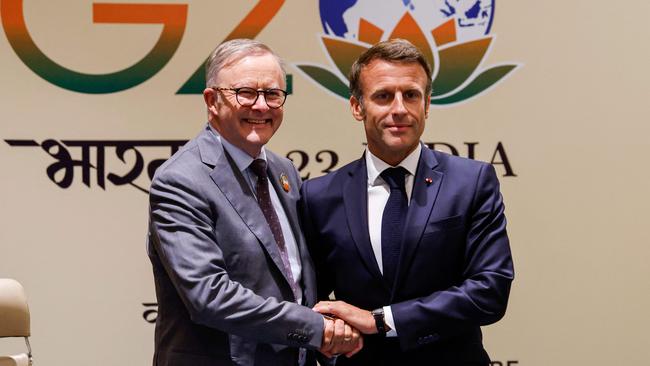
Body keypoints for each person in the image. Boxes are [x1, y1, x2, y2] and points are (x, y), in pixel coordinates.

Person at [300, 39, 514, 365]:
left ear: (427, 105)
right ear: (357, 107)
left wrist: (382, 320)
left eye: (411, 95)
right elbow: (309, 299)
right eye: (383, 96)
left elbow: (490, 291)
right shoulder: (319, 195)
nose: (399, 108)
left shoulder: (471, 182)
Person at [147, 39, 361, 366]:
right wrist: (318, 329)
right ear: (212, 100)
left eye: (273, 94)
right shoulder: (182, 180)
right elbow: (210, 296)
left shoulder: (282, 170)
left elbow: (298, 277)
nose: (261, 106)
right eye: (246, 93)